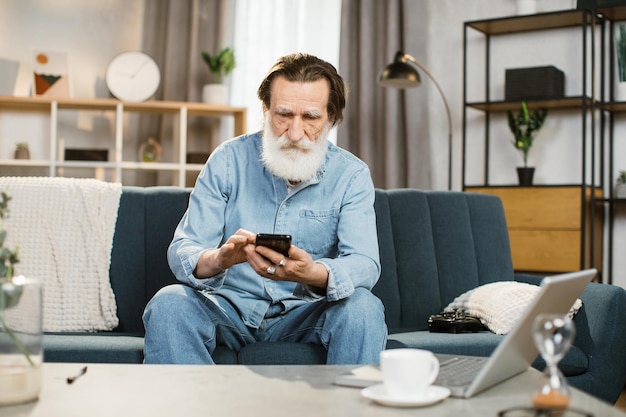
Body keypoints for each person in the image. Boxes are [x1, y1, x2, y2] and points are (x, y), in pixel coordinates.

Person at [142, 53, 387, 365]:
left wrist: (313, 273)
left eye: (311, 118)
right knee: (168, 304)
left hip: (304, 314)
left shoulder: (352, 174)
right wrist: (219, 258)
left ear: (332, 119)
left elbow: (364, 263)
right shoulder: (228, 159)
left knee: (363, 308)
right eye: (283, 115)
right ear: (266, 110)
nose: (295, 134)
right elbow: (183, 248)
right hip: (227, 307)